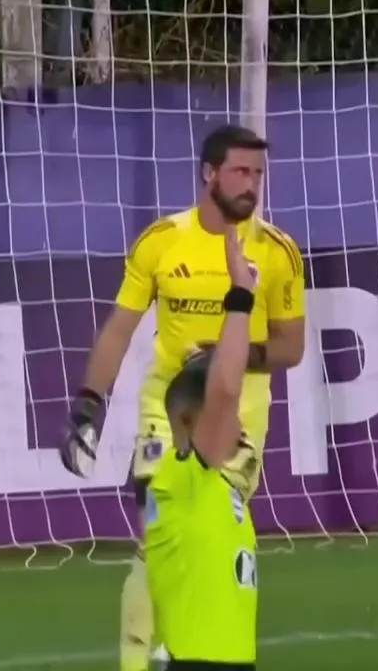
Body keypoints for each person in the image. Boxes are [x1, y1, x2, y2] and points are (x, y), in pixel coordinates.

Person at [58, 124, 306, 671]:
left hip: (237, 423)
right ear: (208, 173)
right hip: (168, 415)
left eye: (258, 174)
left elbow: (291, 348)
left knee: (204, 549)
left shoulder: (278, 253)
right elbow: (120, 328)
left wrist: (231, 356)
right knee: (154, 541)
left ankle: (188, 647)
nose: (251, 185)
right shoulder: (162, 242)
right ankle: (144, 660)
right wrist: (89, 404)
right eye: (240, 172)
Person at [144, 223, 260, 669]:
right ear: (193, 421)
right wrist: (240, 296)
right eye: (227, 418)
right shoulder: (184, 479)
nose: (237, 426)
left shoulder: (213, 488)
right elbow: (225, 391)